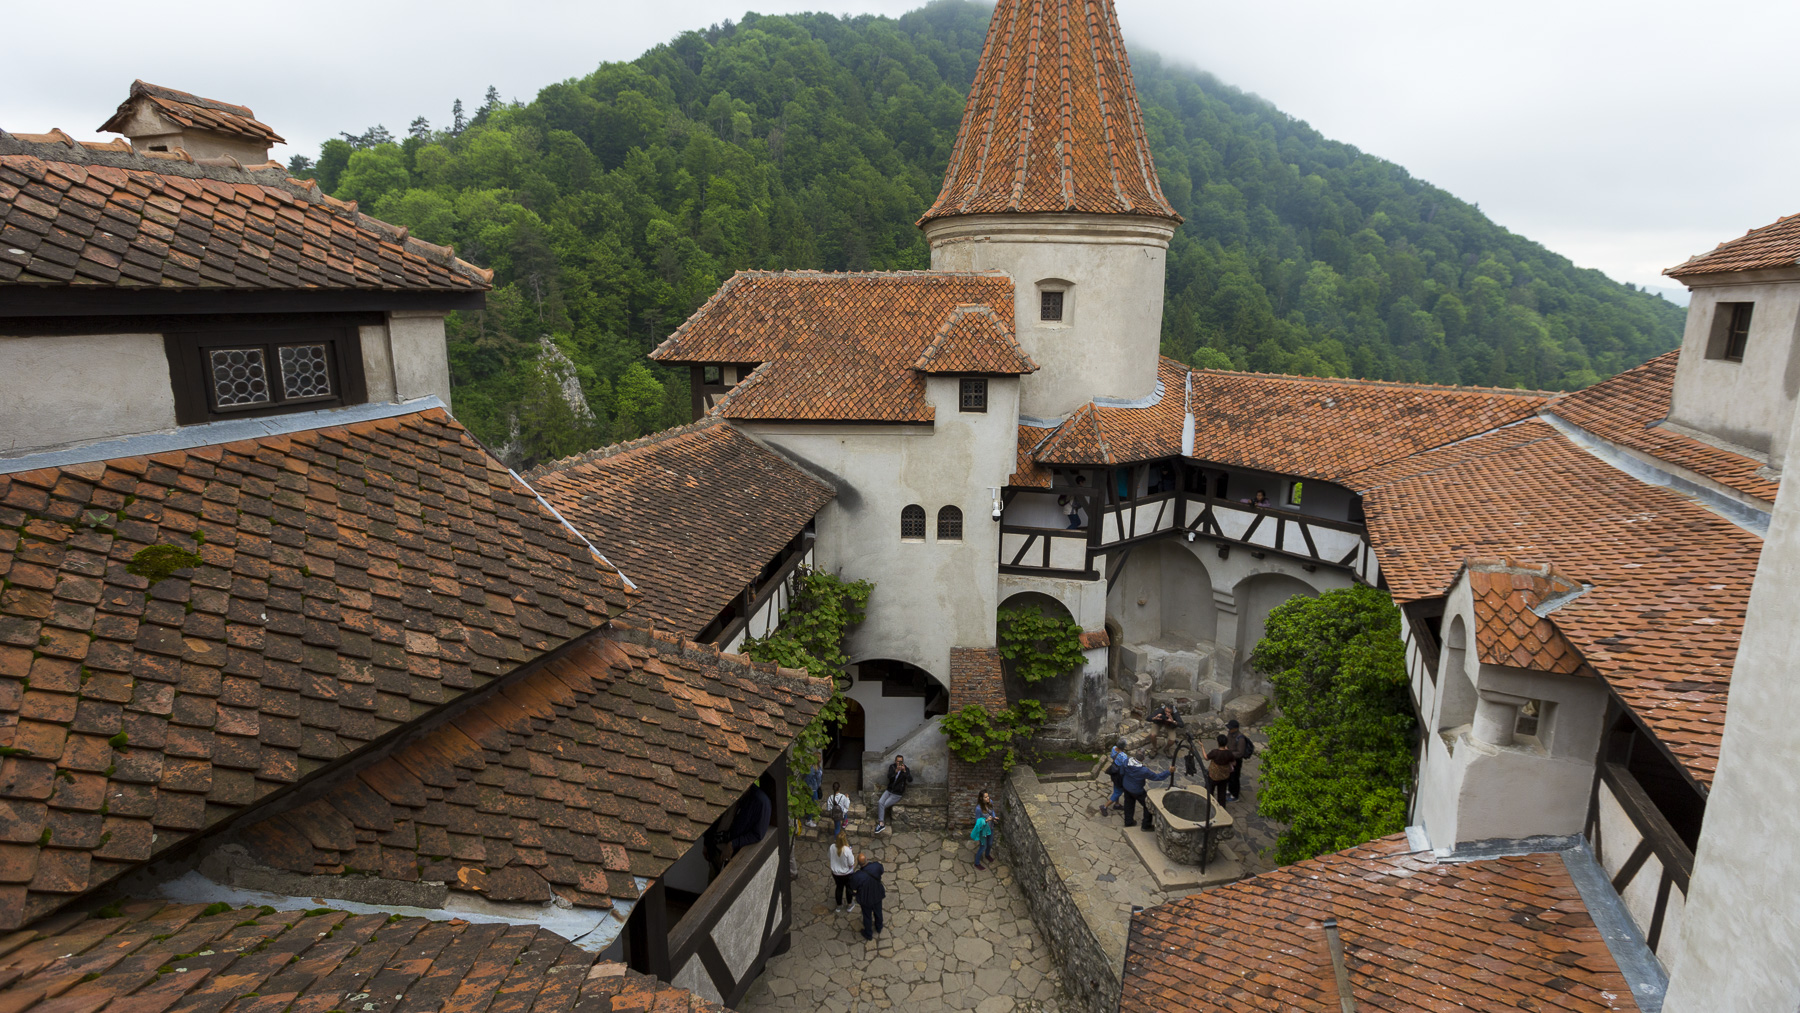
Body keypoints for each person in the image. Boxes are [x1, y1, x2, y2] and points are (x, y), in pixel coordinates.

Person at [1116, 744, 1171, 831]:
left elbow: (1122, 772)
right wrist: (1168, 772)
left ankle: (1128, 822)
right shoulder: (1143, 771)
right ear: (1143, 759)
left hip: (1126, 786)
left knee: (1128, 804)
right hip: (1137, 791)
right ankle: (1146, 825)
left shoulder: (1126, 761)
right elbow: (1157, 777)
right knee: (1148, 805)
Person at [719, 781, 771, 861]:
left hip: (732, 853)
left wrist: (733, 844)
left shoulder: (760, 801)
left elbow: (757, 834)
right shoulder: (735, 793)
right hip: (717, 847)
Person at [853, 852, 886, 939]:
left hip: (865, 899)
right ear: (867, 859)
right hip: (877, 895)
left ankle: (868, 934)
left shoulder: (857, 876)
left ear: (858, 864)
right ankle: (879, 927)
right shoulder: (876, 866)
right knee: (878, 912)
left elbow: (853, 886)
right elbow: (881, 870)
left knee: (867, 916)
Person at [874, 755, 911, 834]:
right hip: (889, 790)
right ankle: (881, 823)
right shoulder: (892, 767)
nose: (899, 763)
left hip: (897, 794)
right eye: (897, 761)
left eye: (900, 761)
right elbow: (889, 777)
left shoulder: (906, 769)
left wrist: (904, 772)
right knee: (880, 802)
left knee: (884, 805)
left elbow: (910, 779)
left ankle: (881, 824)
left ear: (902, 762)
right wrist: (896, 771)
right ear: (895, 761)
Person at [1226, 719, 1255, 803]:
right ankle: (1230, 790)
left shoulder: (1240, 739)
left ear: (1235, 728)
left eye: (1231, 728)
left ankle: (1235, 795)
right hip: (1229, 758)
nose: (1229, 730)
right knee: (1229, 776)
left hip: (1236, 761)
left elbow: (1240, 753)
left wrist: (1230, 754)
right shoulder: (1230, 734)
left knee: (1234, 777)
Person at [829, 830, 858, 912]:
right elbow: (851, 863)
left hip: (836, 874)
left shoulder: (832, 847)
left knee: (839, 888)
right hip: (847, 874)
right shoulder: (847, 850)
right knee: (849, 888)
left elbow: (829, 856)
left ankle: (839, 905)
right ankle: (849, 905)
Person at [1205, 734, 1237, 808]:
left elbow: (1206, 757)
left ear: (1218, 742)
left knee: (1209, 791)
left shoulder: (1215, 752)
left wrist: (1202, 747)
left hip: (1213, 776)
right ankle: (1222, 808)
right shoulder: (1229, 753)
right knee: (1222, 794)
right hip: (1224, 776)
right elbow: (1234, 763)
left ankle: (1209, 806)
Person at [972, 790, 998, 870]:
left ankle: (987, 855)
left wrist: (994, 817)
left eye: (988, 796)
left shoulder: (990, 802)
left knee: (990, 844)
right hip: (983, 831)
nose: (988, 798)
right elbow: (978, 822)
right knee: (983, 846)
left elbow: (992, 811)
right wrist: (986, 820)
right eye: (985, 797)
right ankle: (977, 863)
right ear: (981, 798)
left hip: (991, 828)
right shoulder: (978, 809)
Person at [803, 757, 824, 828]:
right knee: (813, 803)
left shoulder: (818, 767)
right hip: (812, 789)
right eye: (819, 758)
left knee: (815, 801)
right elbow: (808, 778)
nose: (821, 759)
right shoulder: (812, 768)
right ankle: (809, 820)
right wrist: (808, 786)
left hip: (816, 787)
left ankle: (813, 814)